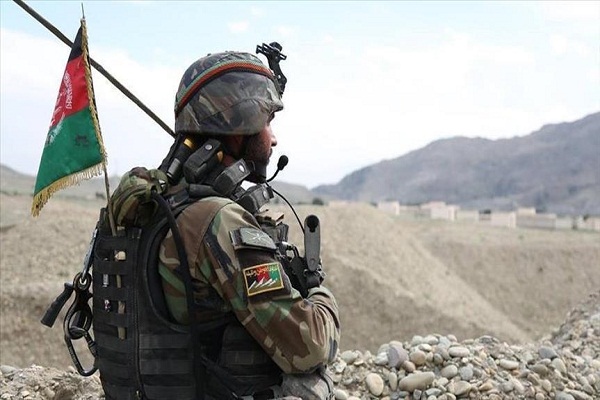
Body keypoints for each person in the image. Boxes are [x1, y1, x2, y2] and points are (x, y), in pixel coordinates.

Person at [94, 50, 339, 400]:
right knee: (311, 385)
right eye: (267, 122)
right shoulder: (216, 219)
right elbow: (309, 345)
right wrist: (319, 293)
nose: (273, 138)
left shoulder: (153, 207)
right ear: (240, 124)